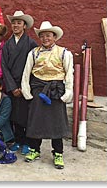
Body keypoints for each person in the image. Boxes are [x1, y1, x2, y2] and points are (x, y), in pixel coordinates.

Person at [21, 21, 73, 169]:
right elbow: (26, 73)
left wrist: (67, 93)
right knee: (35, 120)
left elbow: (69, 74)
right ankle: (34, 149)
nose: (45, 39)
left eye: (48, 36)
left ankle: (58, 153)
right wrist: (27, 91)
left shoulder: (64, 53)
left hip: (56, 90)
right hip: (38, 88)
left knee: (56, 122)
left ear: (54, 37)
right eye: (42, 36)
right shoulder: (34, 53)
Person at [1, 10, 38, 155]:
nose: (16, 25)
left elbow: (34, 66)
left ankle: (27, 142)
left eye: (19, 23)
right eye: (14, 22)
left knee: (25, 115)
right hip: (12, 86)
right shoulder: (7, 44)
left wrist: (24, 86)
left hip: (26, 86)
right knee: (14, 115)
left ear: (24, 26)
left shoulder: (31, 43)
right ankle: (17, 139)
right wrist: (12, 87)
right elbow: (4, 66)